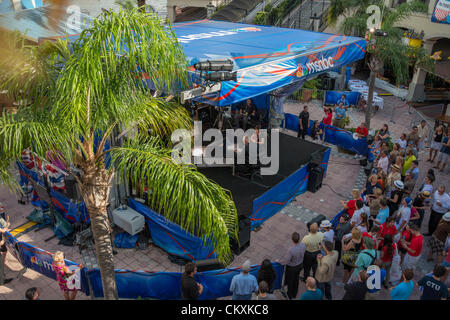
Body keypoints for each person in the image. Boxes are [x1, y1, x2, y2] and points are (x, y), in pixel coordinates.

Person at [279, 232, 306, 300]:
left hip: (292, 268)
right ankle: (294, 293)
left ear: (292, 239)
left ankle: (289, 295)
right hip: (300, 265)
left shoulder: (291, 250)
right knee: (296, 279)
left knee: (290, 281)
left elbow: (286, 261)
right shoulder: (303, 245)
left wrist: (279, 261)